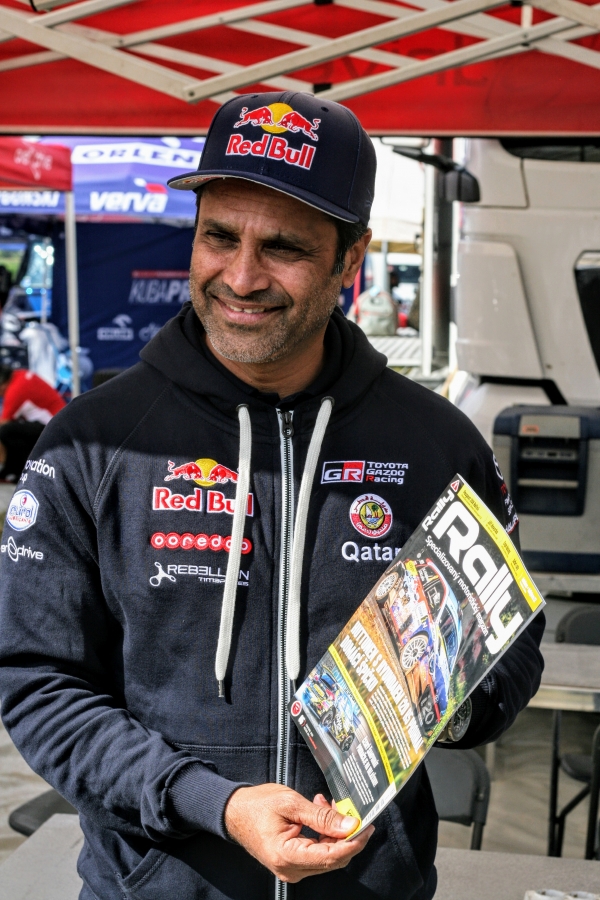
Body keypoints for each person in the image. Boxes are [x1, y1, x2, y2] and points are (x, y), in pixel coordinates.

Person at [0, 92, 544, 900]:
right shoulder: (93, 444)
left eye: (284, 247)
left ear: (350, 261)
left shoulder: (438, 447)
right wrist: (216, 806)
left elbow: (513, 652)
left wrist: (444, 701)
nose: (242, 277)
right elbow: (38, 686)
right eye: (220, 236)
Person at [0, 365, 65, 480]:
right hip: (58, 423)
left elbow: (3, 423)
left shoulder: (15, 391)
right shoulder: (20, 375)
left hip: (53, 429)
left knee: (6, 431)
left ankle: (18, 470)